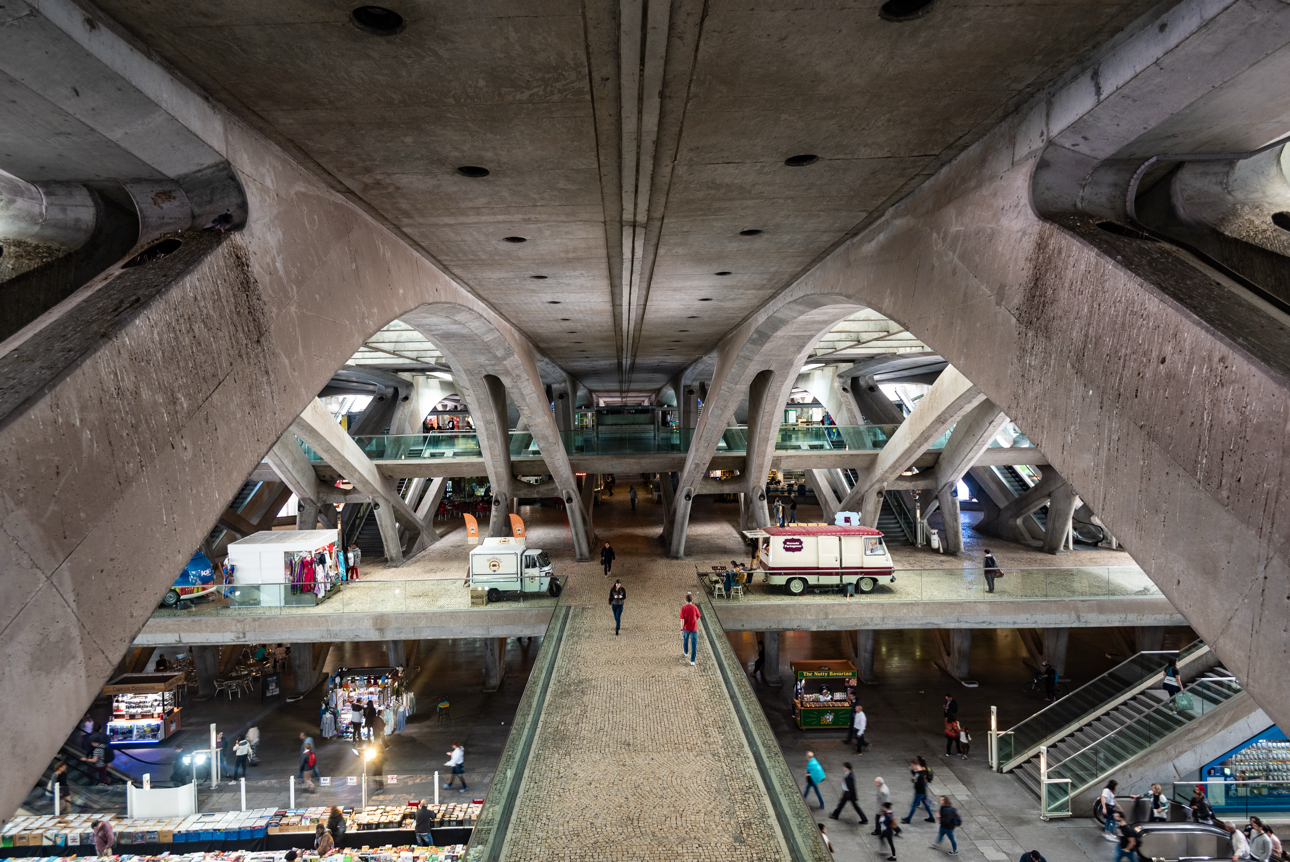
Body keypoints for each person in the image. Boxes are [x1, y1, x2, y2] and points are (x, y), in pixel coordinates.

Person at [902, 759, 935, 823]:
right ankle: (931, 817)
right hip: (921, 793)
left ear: (915, 765)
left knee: (914, 805)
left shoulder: (920, 775)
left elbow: (922, 785)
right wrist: (911, 769)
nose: (911, 767)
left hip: (919, 793)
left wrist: (922, 794)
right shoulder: (919, 771)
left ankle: (908, 819)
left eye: (912, 766)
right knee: (925, 804)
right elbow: (915, 775)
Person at [680, 593, 701, 665]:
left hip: (686, 628)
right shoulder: (695, 607)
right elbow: (698, 616)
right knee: (694, 644)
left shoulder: (683, 608)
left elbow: (682, 619)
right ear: (692, 600)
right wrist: (694, 620)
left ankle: (686, 652)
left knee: (685, 640)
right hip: (694, 628)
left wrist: (681, 629)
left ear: (685, 600)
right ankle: (692, 660)